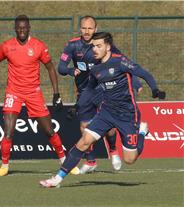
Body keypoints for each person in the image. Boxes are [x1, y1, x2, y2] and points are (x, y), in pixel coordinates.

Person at [40, 32, 166, 188]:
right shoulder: (96, 68)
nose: (94, 49)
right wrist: (76, 107)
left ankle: (141, 131)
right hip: (106, 112)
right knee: (84, 142)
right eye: (93, 46)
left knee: (129, 159)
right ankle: (57, 179)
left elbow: (143, 73)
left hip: (127, 115)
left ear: (107, 47)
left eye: (98, 46)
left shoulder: (120, 62)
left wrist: (154, 89)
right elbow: (89, 90)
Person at [0, 14, 78, 176]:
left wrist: (56, 94)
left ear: (29, 28)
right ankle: (4, 166)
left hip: (34, 93)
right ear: (15, 29)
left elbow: (50, 68)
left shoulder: (39, 46)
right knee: (8, 131)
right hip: (13, 92)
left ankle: (65, 161)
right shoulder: (7, 46)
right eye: (19, 28)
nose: (21, 31)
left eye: (24, 28)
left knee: (49, 131)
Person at [58, 15, 143, 174]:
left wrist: (136, 82)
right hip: (85, 91)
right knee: (84, 127)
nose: (87, 31)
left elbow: (124, 62)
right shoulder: (72, 45)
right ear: (80, 29)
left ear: (95, 29)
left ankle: (113, 151)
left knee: (109, 128)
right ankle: (91, 161)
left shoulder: (102, 43)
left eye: (90, 28)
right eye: (84, 28)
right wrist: (70, 70)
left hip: (104, 90)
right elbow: (61, 68)